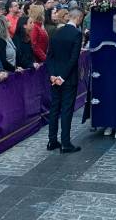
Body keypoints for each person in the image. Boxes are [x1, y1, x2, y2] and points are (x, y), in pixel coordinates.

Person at [45, 9, 85, 154]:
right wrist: (62, 77)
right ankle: (66, 143)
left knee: (55, 108)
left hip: (55, 78)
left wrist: (53, 75)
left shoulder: (56, 32)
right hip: (67, 78)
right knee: (67, 109)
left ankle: (52, 140)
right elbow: (73, 58)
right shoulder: (76, 34)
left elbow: (49, 56)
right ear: (79, 18)